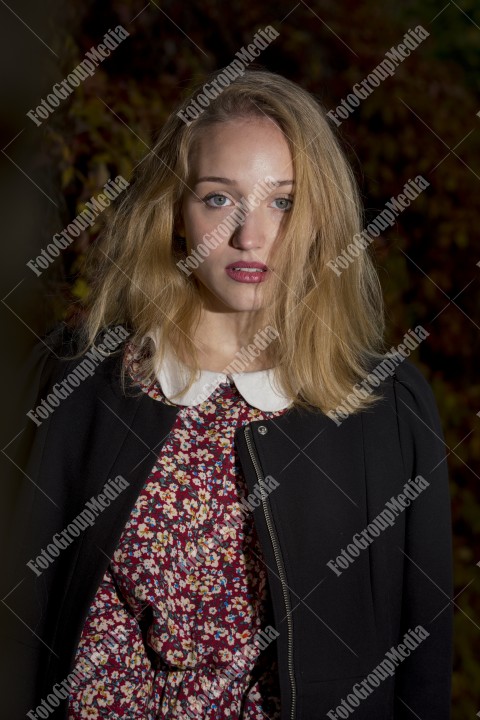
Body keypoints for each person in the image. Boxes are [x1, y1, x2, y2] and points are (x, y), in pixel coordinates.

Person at [1, 68, 453, 720]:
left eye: (283, 201)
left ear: (320, 219)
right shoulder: (71, 382)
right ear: (175, 213)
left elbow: (422, 665)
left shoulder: (387, 409)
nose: (249, 235)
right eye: (218, 199)